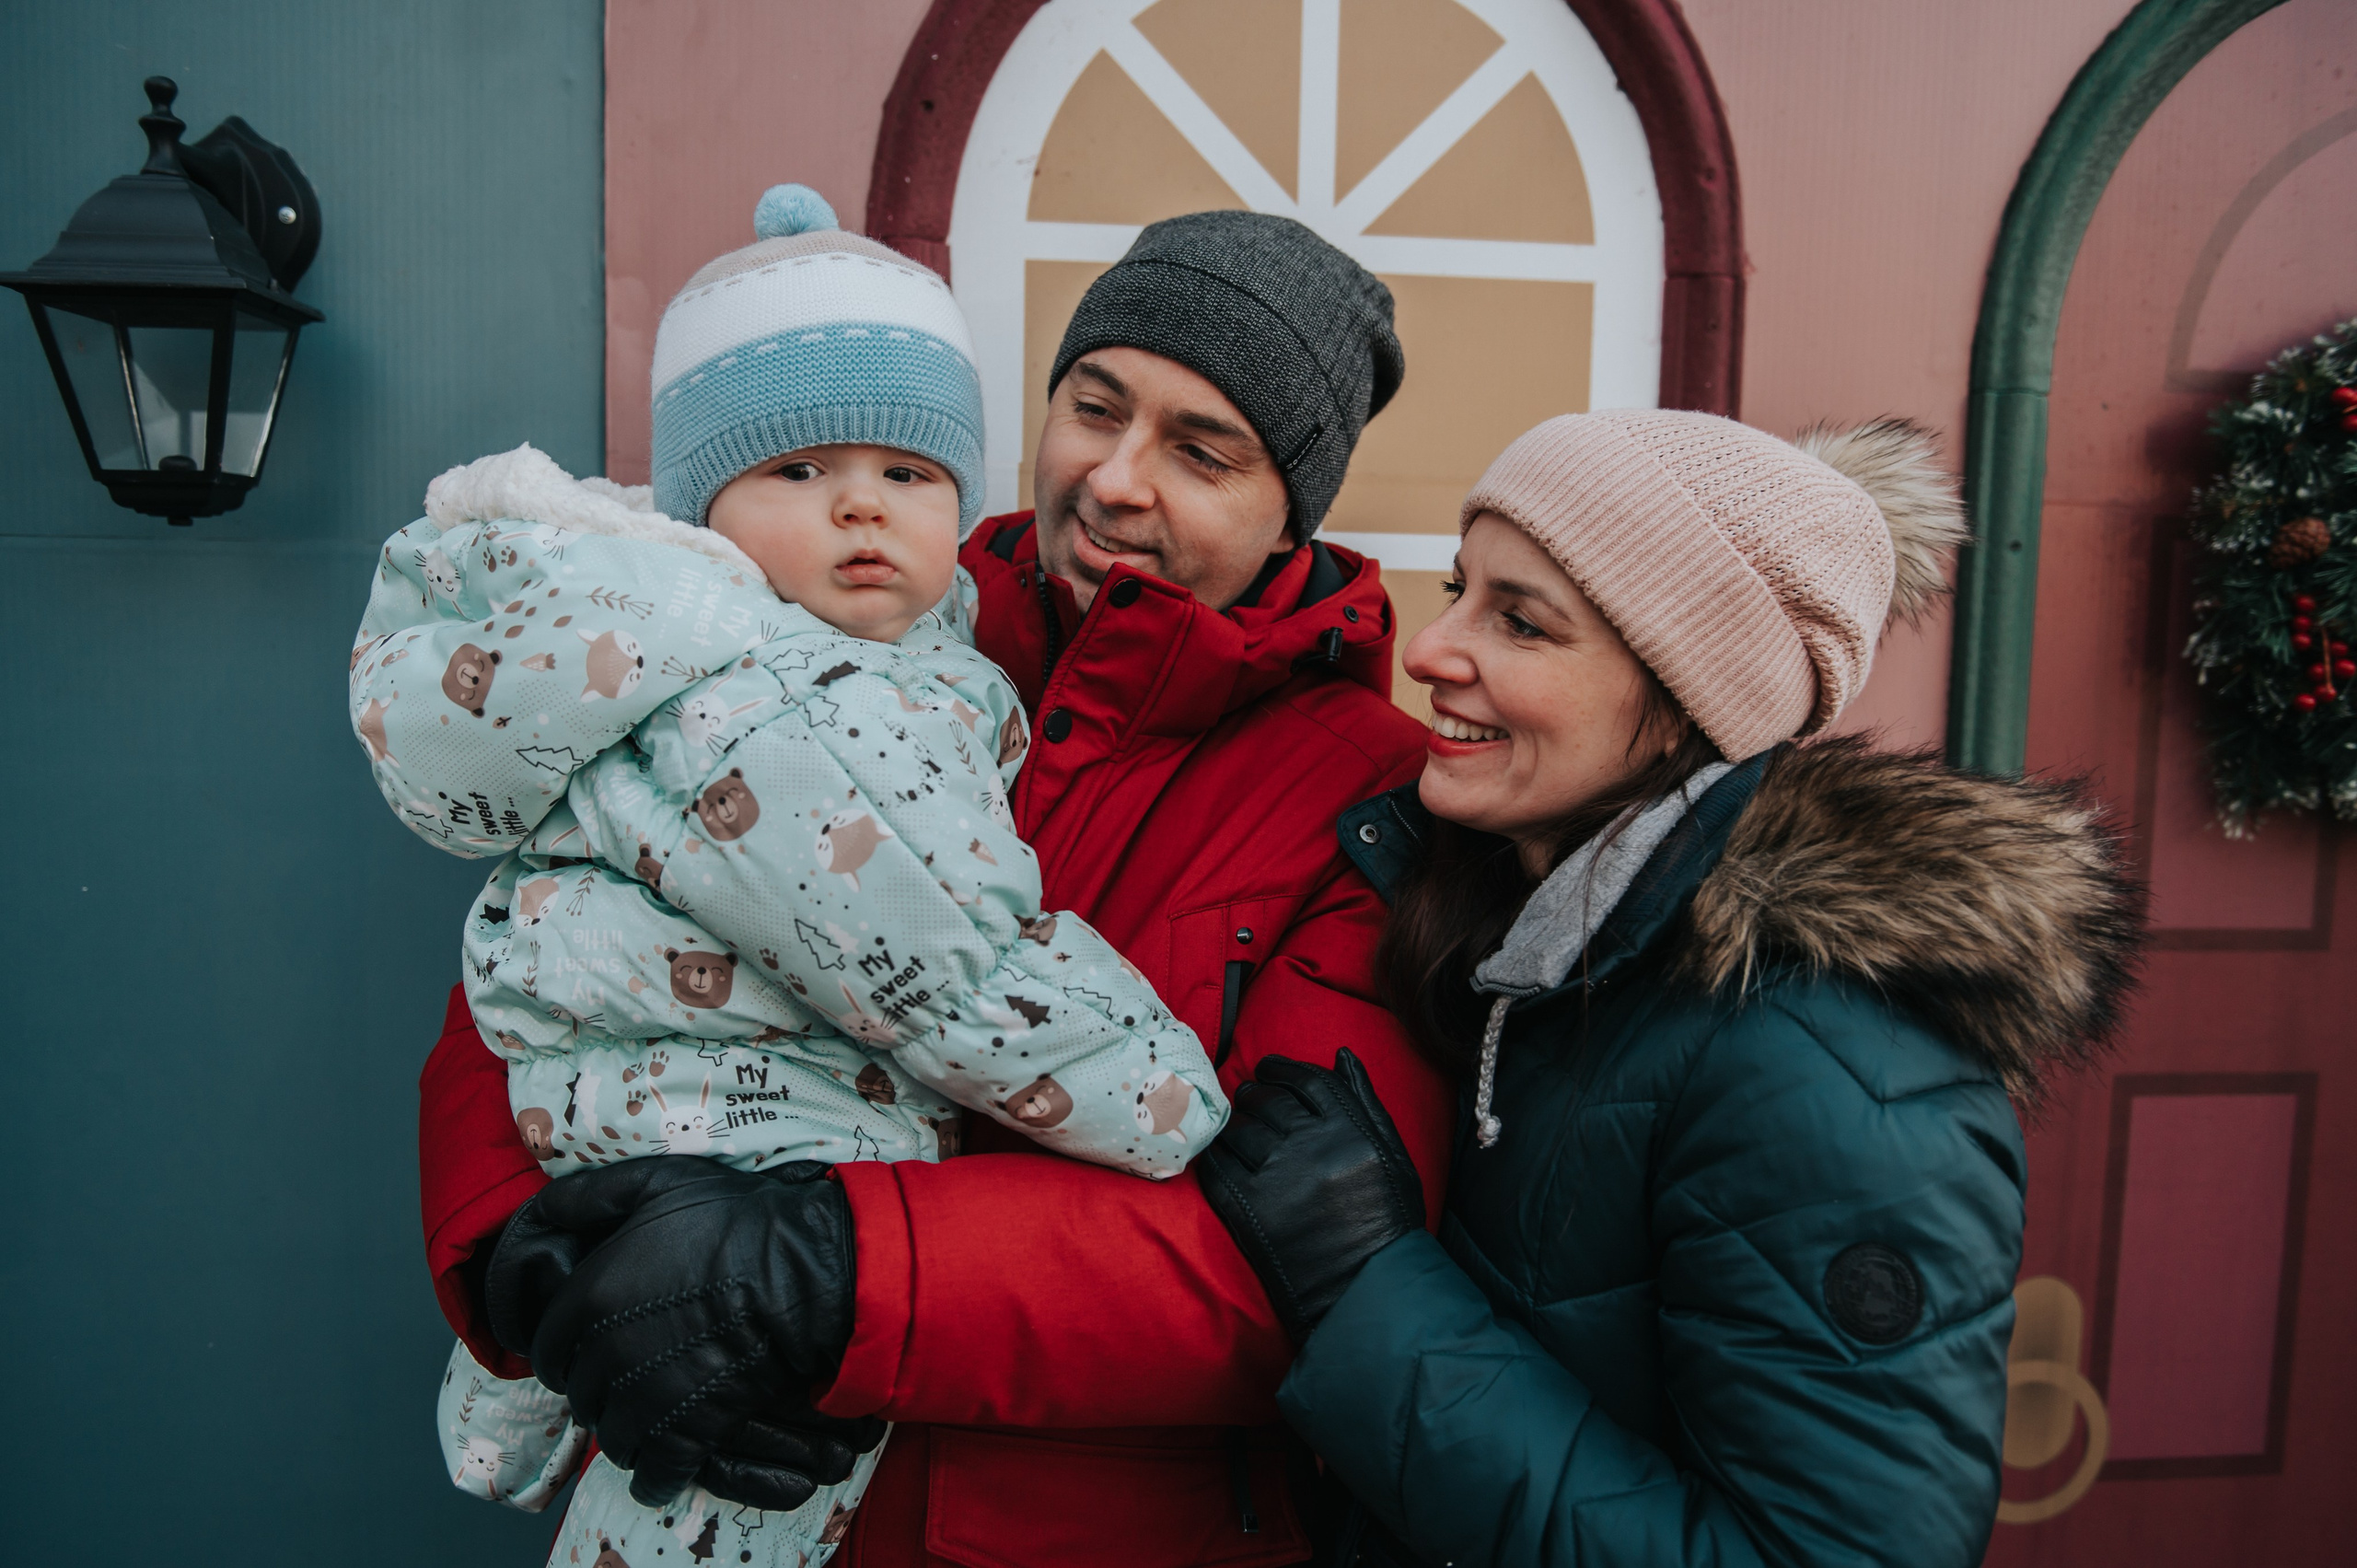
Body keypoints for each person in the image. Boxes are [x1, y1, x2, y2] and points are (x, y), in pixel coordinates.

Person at [412, 209, 1447, 1564]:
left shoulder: (1370, 797)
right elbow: (549, 931)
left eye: (1202, 453)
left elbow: (1283, 1266)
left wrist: (821, 1270)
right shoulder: (855, 605)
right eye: (1094, 408)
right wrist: (526, 1247)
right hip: (726, 1493)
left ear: (1290, 509)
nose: (1116, 480)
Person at [1197, 411, 2145, 1568]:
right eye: (1459, 589)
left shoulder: (1828, 1067)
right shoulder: (1533, 946)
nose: (1432, 648)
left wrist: (1370, 1290)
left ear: (1694, 696)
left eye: (1521, 621)